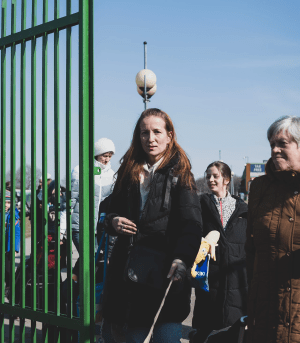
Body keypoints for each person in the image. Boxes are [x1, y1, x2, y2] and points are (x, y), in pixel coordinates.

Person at [103, 108, 202, 343]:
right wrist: (112, 220)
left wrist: (182, 259)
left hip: (166, 272)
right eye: (144, 133)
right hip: (129, 275)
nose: (151, 138)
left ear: (169, 135)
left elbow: (192, 224)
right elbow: (107, 209)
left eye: (157, 132)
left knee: (166, 337)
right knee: (134, 337)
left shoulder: (181, 173)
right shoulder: (128, 170)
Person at [246, 116, 300, 343]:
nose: (275, 150)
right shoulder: (259, 189)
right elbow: (250, 251)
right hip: (266, 314)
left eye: (282, 144)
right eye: (272, 145)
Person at [191, 161, 248, 343]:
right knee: (206, 328)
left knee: (233, 330)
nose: (210, 179)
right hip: (210, 276)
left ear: (226, 179)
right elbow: (190, 233)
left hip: (236, 278)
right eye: (208, 176)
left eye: (215, 176)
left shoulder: (244, 211)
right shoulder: (200, 205)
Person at [70, 137, 115, 253]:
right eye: (104, 156)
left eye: (110, 156)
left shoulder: (112, 175)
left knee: (93, 262)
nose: (107, 160)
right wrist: (63, 228)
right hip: (81, 226)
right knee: (88, 259)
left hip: (100, 228)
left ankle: (76, 271)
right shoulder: (81, 170)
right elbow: (71, 200)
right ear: (97, 154)